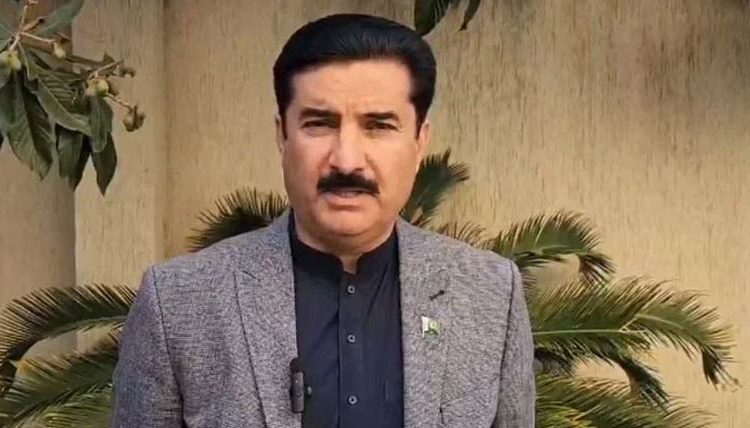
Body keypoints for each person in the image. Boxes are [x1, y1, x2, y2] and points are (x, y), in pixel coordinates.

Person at [112, 13, 535, 428]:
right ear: (282, 135)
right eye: (319, 124)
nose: (346, 160)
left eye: (378, 126)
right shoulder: (178, 302)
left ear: (420, 140)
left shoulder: (491, 294)